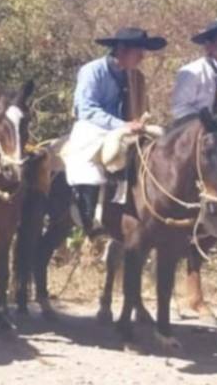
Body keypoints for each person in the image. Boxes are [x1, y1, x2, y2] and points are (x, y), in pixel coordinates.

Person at [64, 27, 166, 235]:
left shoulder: (136, 77)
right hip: (93, 126)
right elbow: (85, 108)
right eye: (138, 51)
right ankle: (87, 214)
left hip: (126, 127)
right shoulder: (93, 70)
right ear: (121, 49)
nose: (142, 56)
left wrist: (139, 121)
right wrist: (121, 125)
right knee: (87, 163)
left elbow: (139, 107)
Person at [171, 20, 217, 120]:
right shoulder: (193, 72)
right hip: (198, 127)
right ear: (208, 46)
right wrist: (206, 122)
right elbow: (180, 107)